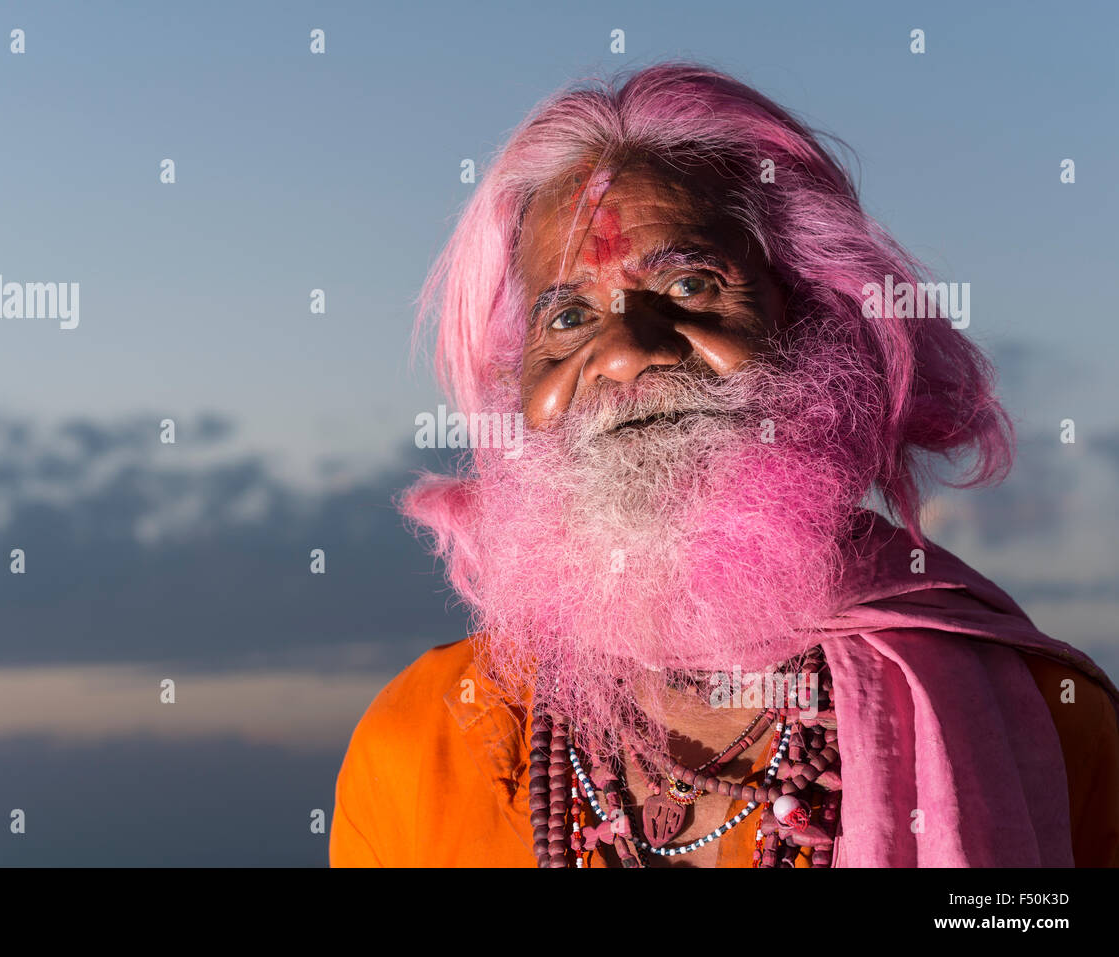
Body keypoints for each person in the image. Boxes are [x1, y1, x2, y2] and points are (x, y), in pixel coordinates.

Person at [330, 62, 1119, 868]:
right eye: (567, 316)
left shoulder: (1052, 728)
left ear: (820, 323)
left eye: (690, 283)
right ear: (517, 387)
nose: (628, 353)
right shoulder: (421, 744)